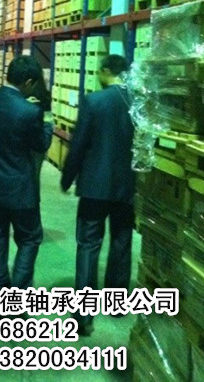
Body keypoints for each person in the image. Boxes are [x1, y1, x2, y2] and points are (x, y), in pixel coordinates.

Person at [61, 54, 135, 336]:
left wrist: (68, 177)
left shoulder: (94, 101)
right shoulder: (136, 102)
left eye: (98, 72)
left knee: (89, 244)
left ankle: (83, 314)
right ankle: (116, 303)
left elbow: (79, 144)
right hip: (125, 184)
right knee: (121, 240)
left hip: (94, 185)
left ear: (106, 71)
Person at [0, 55, 53, 291]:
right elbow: (41, 144)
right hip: (20, 188)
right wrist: (46, 119)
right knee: (30, 238)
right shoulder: (30, 111)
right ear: (28, 82)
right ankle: (18, 294)